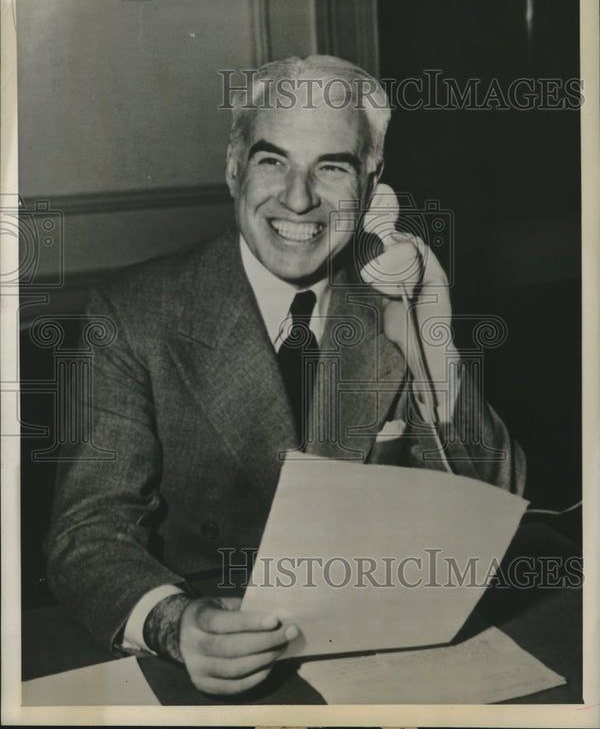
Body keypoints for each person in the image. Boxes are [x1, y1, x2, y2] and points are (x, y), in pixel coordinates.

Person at [45, 55, 526, 696]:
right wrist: (172, 621)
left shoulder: (392, 304)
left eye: (331, 167)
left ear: (373, 183)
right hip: (204, 665)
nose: (298, 199)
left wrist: (431, 343)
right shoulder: (131, 314)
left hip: (377, 661)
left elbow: (499, 508)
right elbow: (86, 533)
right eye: (274, 161)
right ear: (233, 168)